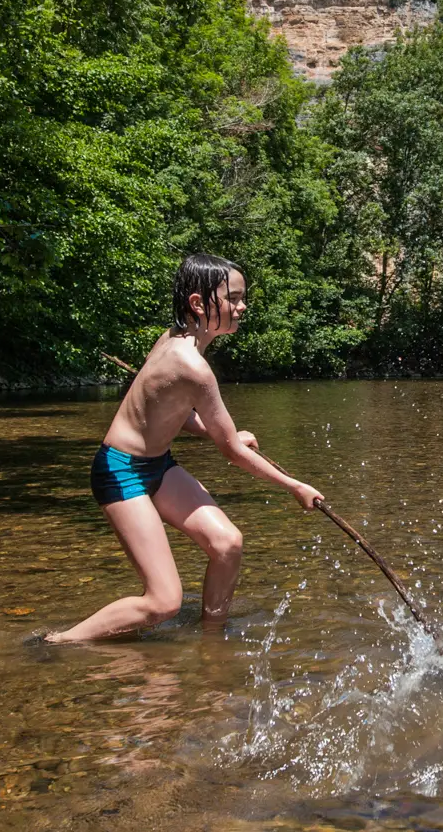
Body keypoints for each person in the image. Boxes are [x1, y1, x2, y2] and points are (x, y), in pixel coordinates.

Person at [46, 254, 322, 643]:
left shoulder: (176, 339)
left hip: (157, 465)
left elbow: (173, 412)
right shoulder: (191, 365)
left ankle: (213, 638)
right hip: (120, 471)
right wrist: (295, 486)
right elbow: (232, 453)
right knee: (163, 603)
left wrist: (218, 433)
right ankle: (58, 642)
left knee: (227, 544)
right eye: (234, 298)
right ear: (198, 303)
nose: (242, 307)